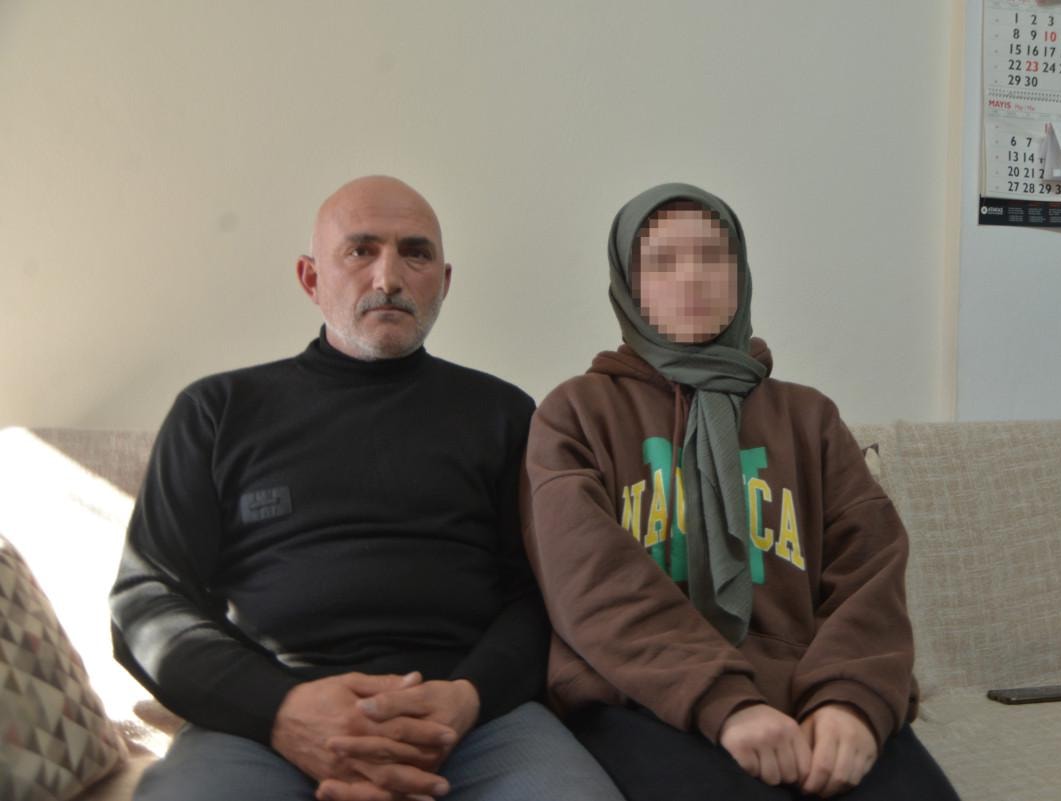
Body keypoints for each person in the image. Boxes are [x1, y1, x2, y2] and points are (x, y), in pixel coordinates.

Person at [110, 175, 624, 801]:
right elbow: (146, 597)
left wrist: (468, 697)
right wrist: (283, 711)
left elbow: (544, 595)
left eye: (416, 253)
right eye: (360, 251)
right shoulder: (217, 412)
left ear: (444, 281)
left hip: (475, 722)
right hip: (263, 724)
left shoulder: (505, 414)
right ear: (310, 279)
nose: (389, 277)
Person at [521, 183, 960, 800]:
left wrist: (851, 700)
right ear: (628, 284)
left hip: (809, 693)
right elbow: (591, 583)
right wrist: (724, 701)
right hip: (643, 697)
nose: (692, 277)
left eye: (712, 255)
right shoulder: (576, 413)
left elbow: (869, 570)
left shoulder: (809, 418)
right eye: (662, 262)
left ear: (741, 273)